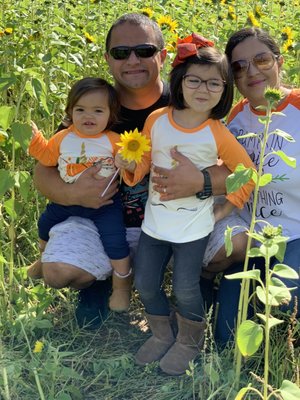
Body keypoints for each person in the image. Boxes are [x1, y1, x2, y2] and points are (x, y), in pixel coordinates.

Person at [32, 13, 228, 330]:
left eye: (145, 51)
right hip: (107, 222)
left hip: (180, 218)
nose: (133, 60)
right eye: (122, 53)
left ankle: (202, 279)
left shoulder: (190, 99)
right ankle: (100, 279)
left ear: (163, 56)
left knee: (233, 242)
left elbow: (232, 169)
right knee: (58, 271)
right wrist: (72, 193)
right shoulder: (95, 105)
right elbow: (43, 170)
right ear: (108, 59)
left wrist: (202, 180)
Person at [116, 33, 255, 375]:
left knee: (185, 286)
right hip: (155, 223)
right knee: (146, 281)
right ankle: (162, 333)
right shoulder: (157, 120)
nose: (203, 89)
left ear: (225, 91)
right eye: (194, 80)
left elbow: (247, 173)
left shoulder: (217, 133)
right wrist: (132, 168)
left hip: (194, 227)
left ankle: (190, 340)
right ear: (179, 81)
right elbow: (146, 161)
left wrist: (226, 207)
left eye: (214, 83)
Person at [203, 27, 300, 344]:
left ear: (279, 62)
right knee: (227, 337)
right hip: (253, 233)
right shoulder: (235, 118)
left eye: (261, 59)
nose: (252, 71)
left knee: (287, 310)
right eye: (239, 67)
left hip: (296, 234)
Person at [28, 77, 133, 313]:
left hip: (105, 203)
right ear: (70, 112)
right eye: (81, 110)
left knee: (116, 241)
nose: (89, 116)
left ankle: (121, 286)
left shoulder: (113, 140)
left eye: (98, 110)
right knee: (44, 223)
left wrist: (127, 162)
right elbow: (47, 158)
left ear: (111, 114)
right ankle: (42, 257)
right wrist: (36, 140)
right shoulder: (63, 137)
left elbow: (131, 169)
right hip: (66, 201)